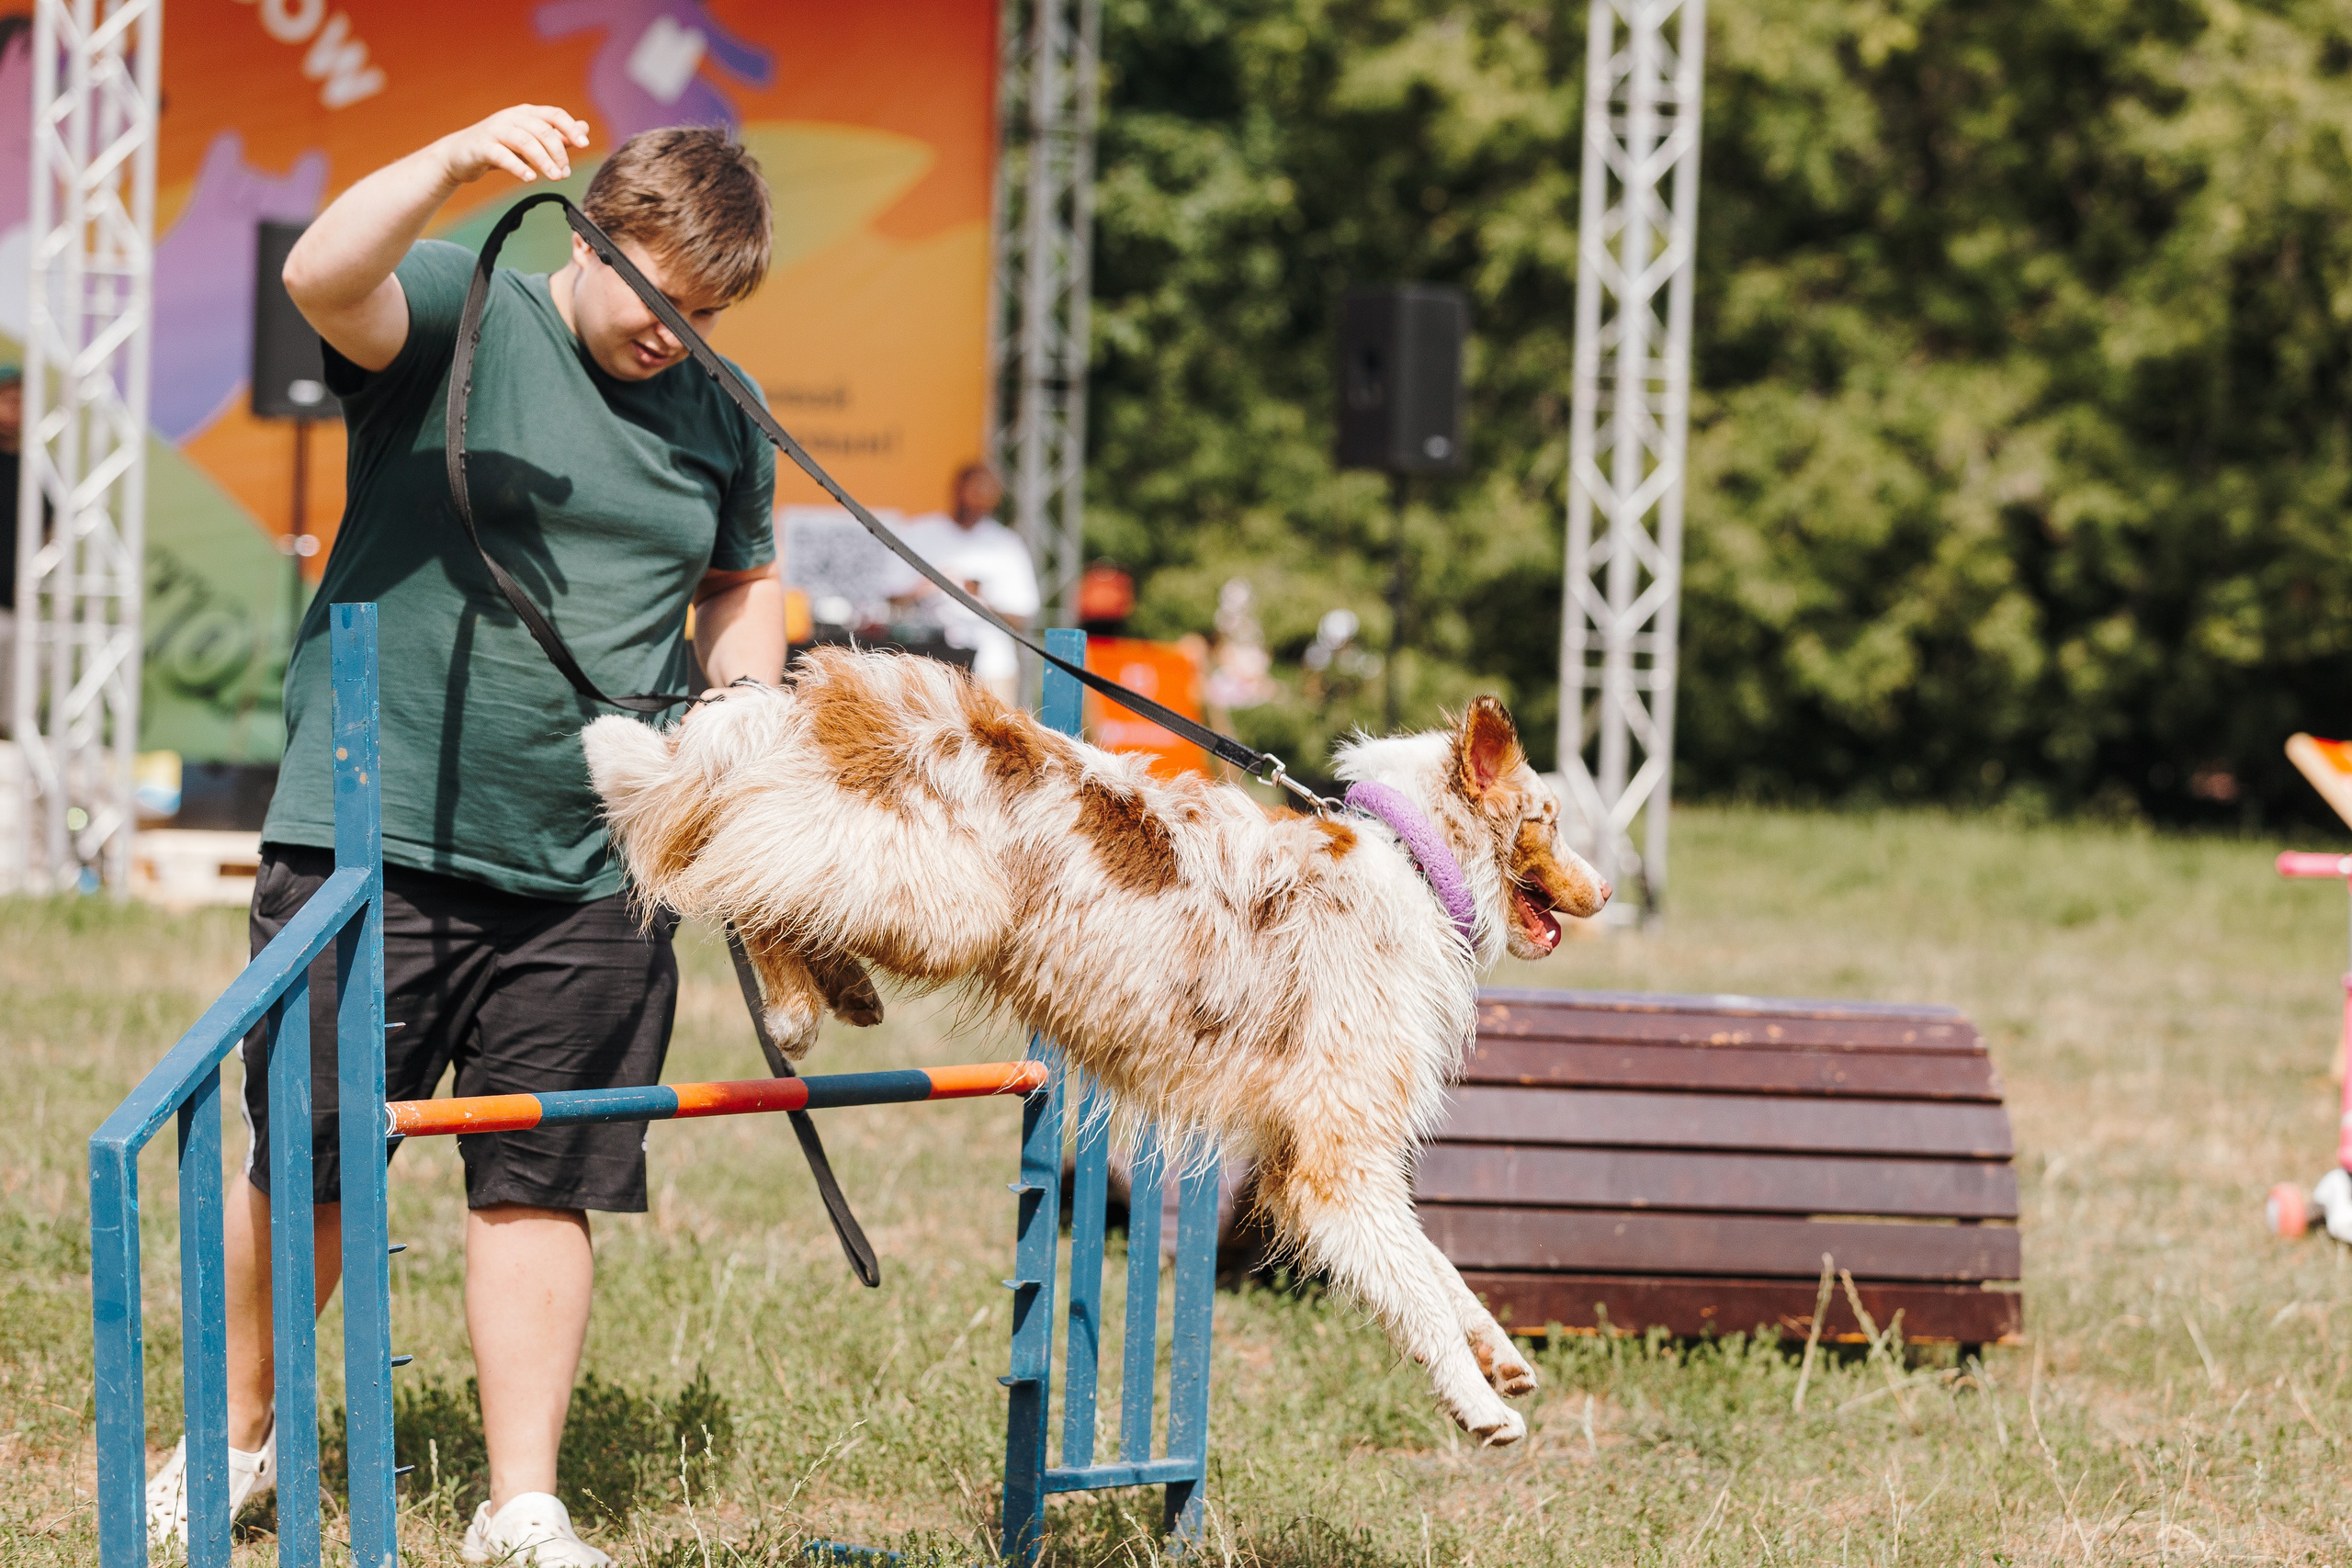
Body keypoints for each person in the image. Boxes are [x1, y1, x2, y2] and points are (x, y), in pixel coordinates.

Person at [141, 106, 782, 1567]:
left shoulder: (725, 409)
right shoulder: (459, 307)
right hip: (377, 829)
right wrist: (443, 162)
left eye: (712, 314)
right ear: (591, 233)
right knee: (307, 1152)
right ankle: (234, 1439)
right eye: (662, 300)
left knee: (543, 1178)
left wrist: (741, 727)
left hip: (597, 870)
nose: (678, 337)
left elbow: (742, 577)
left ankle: (523, 1502)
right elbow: (319, 279)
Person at [893, 462, 1040, 706]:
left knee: (993, 740)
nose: (980, 499)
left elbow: (1021, 616)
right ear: (957, 490)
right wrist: (931, 583)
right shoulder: (921, 532)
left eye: (988, 493)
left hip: (991, 668)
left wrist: (982, 598)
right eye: (975, 490)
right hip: (927, 664)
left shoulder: (1006, 544)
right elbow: (890, 596)